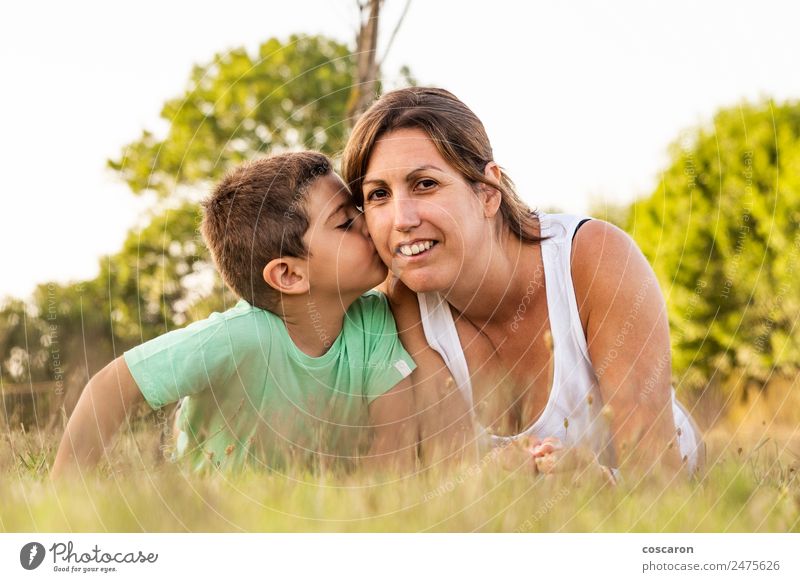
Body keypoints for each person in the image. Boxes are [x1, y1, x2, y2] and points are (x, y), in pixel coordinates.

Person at [341, 87, 705, 478]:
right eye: (378, 194)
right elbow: (452, 477)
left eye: (425, 184)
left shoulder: (593, 259)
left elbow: (657, 476)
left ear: (486, 192)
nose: (402, 219)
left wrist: (594, 484)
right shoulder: (403, 301)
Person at [52, 151, 419, 476]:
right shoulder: (241, 337)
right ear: (289, 274)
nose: (368, 223)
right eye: (344, 222)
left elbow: (395, 440)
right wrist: (65, 497)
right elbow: (110, 386)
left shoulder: (374, 322)